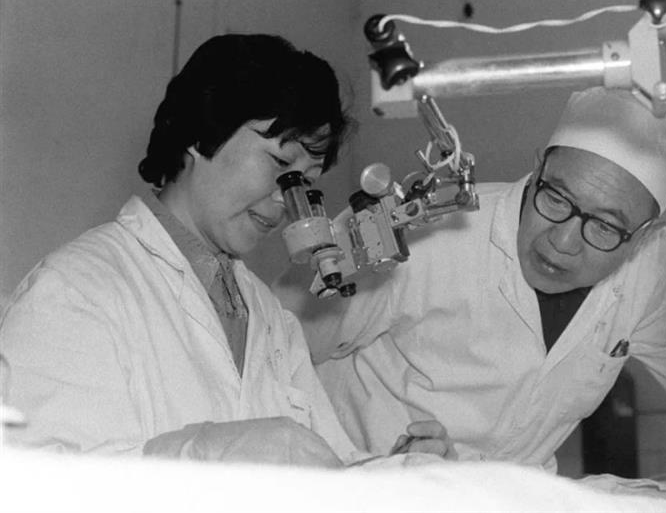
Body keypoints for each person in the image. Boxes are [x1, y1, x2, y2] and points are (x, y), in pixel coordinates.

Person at [274, 87, 666, 483]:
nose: (563, 241)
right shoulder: (428, 227)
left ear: (644, 236)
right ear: (537, 168)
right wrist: (351, 464)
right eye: (555, 199)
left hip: (513, 496)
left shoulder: (654, 271)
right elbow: (273, 346)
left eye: (605, 227)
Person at [0, 33, 453, 466]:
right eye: (280, 162)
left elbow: (322, 470)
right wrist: (203, 455)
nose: (288, 200)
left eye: (306, 183)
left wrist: (394, 473)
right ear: (203, 134)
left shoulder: (269, 317)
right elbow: (34, 482)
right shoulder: (75, 289)